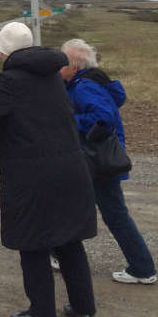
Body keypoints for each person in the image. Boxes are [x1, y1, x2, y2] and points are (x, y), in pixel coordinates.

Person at [0, 22, 97, 317]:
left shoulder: (10, 81)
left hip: (33, 178)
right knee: (69, 242)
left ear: (3, 53)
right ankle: (84, 309)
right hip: (72, 170)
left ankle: (41, 311)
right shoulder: (52, 75)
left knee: (34, 245)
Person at [60, 38, 156, 285]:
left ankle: (143, 268)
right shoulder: (86, 82)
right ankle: (59, 254)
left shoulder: (84, 87)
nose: (58, 66)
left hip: (97, 161)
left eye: (62, 61)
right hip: (96, 159)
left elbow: (104, 117)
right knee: (72, 205)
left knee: (112, 213)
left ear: (75, 65)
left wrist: (71, 120)